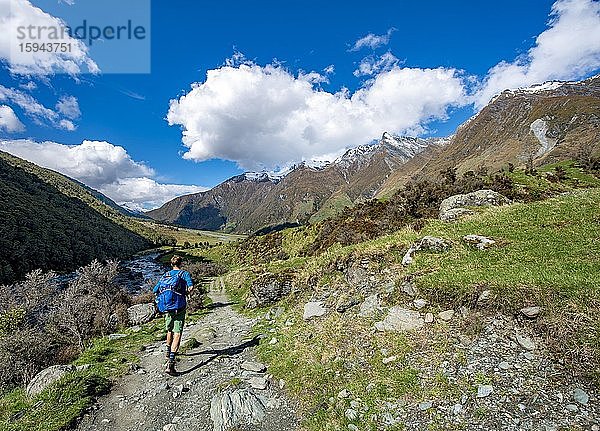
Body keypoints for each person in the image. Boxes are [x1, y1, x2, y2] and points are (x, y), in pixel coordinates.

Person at [153, 255, 194, 375]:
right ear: (181, 263)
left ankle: (167, 351)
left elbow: (155, 290)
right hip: (179, 307)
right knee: (178, 333)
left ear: (171, 264)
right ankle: (170, 364)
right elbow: (191, 287)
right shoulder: (184, 274)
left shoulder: (165, 275)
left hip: (167, 308)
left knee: (169, 330)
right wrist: (185, 293)